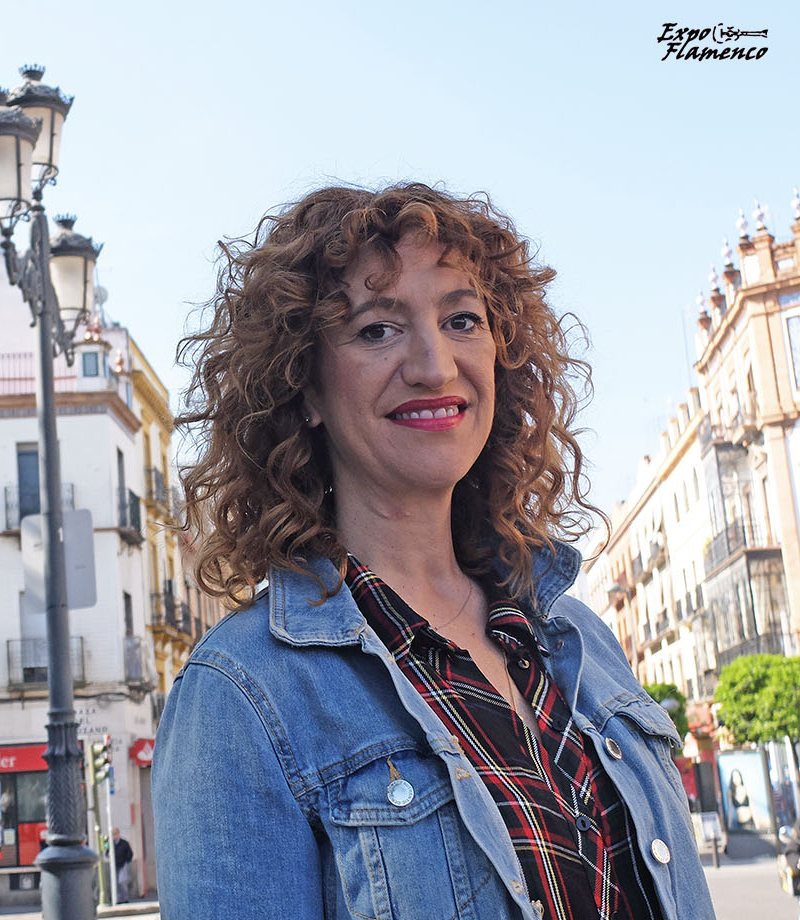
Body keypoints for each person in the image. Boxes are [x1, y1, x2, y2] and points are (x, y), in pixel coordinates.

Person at [153, 182, 715, 919]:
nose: (434, 364)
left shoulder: (582, 643)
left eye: (461, 319)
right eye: (377, 330)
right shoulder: (243, 694)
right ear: (305, 387)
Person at [111, 828, 133, 903]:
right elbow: (107, 852)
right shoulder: (111, 844)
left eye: (116, 834)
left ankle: (125, 898)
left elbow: (129, 853)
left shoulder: (124, 843)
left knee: (122, 881)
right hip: (115, 865)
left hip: (123, 864)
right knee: (116, 882)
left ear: (118, 834)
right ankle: (119, 899)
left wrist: (127, 861)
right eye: (113, 834)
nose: (114, 836)